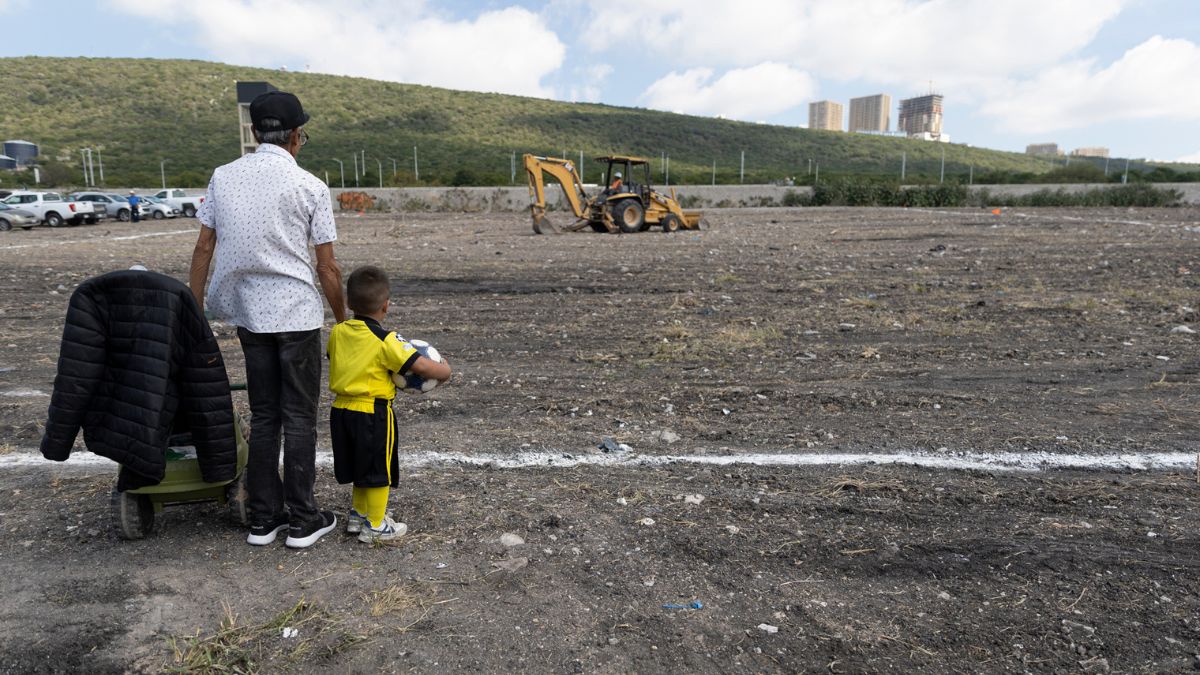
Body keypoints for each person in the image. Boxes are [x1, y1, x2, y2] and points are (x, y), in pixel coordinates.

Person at [189, 90, 347, 549]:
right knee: (299, 416)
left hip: (249, 315)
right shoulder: (311, 186)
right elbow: (328, 267)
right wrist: (343, 319)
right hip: (296, 314)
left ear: (256, 133)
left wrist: (194, 309)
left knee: (265, 415)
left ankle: (263, 519)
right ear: (297, 136)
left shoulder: (223, 177)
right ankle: (303, 518)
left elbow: (204, 248)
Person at [326, 266, 451, 543]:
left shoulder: (338, 332)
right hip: (372, 412)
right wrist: (445, 371)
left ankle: (358, 515)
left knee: (360, 465)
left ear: (348, 303)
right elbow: (419, 364)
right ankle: (376, 525)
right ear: (386, 305)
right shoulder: (387, 340)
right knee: (377, 470)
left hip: (340, 410)